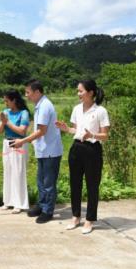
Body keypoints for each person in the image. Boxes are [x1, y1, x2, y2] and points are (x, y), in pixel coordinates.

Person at [55, 80, 110, 234]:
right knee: (75, 184)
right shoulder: (76, 109)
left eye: (81, 91)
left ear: (91, 92)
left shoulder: (100, 111)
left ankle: (90, 220)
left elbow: (105, 135)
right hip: (76, 148)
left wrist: (92, 134)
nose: (78, 94)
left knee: (92, 186)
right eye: (77, 91)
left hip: (93, 149)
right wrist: (66, 129)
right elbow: (76, 130)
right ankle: (75, 216)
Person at [12, 80, 63, 224]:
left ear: (37, 92)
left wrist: (22, 141)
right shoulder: (39, 105)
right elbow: (38, 129)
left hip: (50, 151)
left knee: (48, 183)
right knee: (40, 180)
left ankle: (48, 211)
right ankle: (41, 205)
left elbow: (42, 131)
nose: (26, 95)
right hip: (43, 150)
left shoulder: (45, 106)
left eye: (28, 92)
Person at [0, 89, 30, 214]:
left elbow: (22, 131)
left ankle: (19, 203)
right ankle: (8, 201)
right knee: (8, 172)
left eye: (7, 101)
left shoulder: (24, 113)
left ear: (14, 100)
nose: (5, 103)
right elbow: (0, 130)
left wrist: (7, 122)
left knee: (18, 173)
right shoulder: (6, 112)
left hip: (19, 143)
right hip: (7, 143)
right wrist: (2, 121)